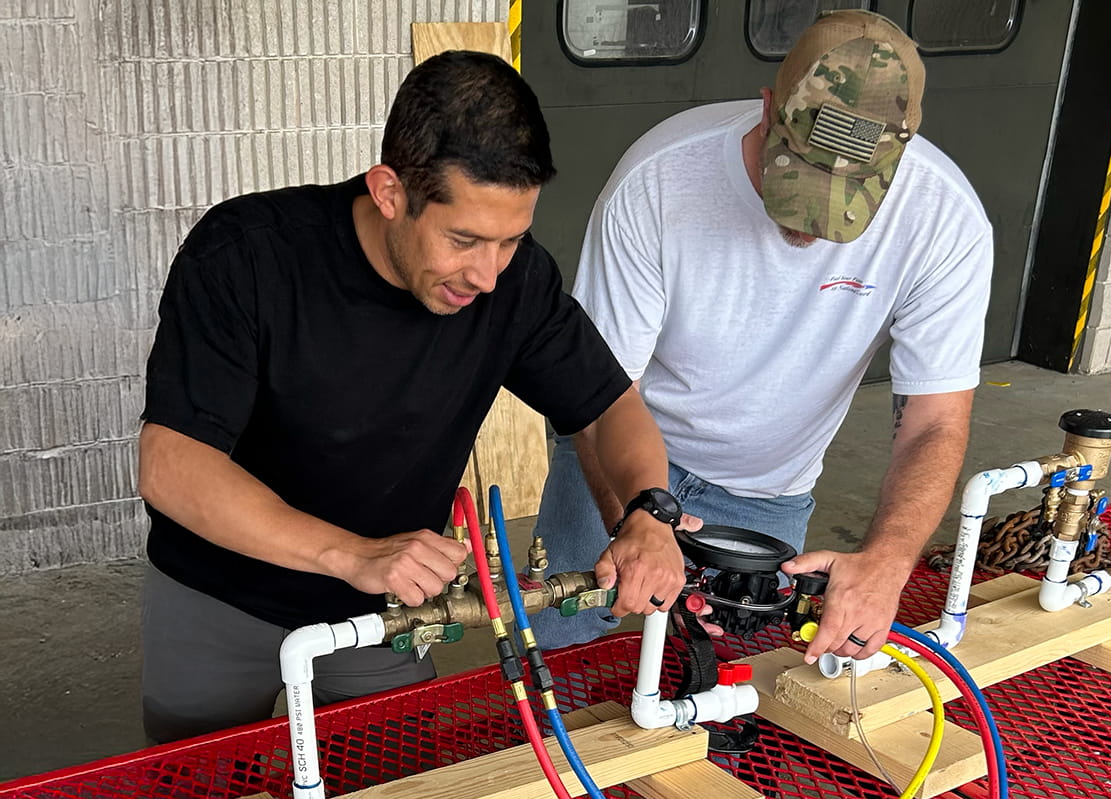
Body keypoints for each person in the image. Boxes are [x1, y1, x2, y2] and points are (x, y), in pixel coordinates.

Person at [137, 50, 684, 743]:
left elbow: (607, 405)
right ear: (390, 191)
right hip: (217, 596)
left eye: (511, 240)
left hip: (385, 608)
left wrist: (648, 511)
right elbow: (171, 463)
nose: (487, 275)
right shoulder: (247, 255)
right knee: (195, 797)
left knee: (394, 793)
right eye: (464, 239)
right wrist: (352, 553)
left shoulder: (515, 285)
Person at [530, 10, 993, 665]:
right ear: (769, 106)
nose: (813, 221)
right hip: (625, 449)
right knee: (561, 640)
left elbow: (935, 422)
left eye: (846, 200)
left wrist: (887, 560)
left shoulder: (944, 221)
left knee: (736, 676)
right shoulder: (660, 180)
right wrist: (636, 516)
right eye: (799, 174)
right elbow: (602, 391)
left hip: (766, 493)